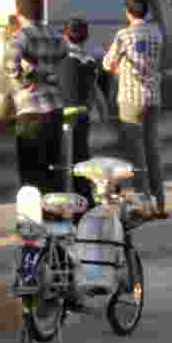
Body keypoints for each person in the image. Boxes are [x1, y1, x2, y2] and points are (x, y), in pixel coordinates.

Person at [103, 0, 167, 218]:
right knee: (153, 151)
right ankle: (160, 203)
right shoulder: (157, 33)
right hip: (154, 98)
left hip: (131, 99)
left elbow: (107, 63)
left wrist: (120, 68)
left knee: (136, 156)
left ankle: (143, 205)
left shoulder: (124, 35)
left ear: (127, 11)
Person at [3, 0, 69, 194]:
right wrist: (48, 75)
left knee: (31, 172)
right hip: (55, 108)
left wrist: (23, 82)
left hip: (31, 110)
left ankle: (34, 221)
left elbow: (9, 65)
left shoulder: (20, 36)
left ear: (18, 10)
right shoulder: (55, 34)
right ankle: (55, 218)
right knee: (52, 168)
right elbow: (64, 59)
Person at [58, 17, 102, 206]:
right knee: (82, 157)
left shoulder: (60, 59)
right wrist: (102, 109)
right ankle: (85, 198)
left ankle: (67, 199)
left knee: (64, 159)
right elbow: (93, 90)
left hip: (63, 114)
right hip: (83, 113)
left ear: (65, 36)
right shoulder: (90, 60)